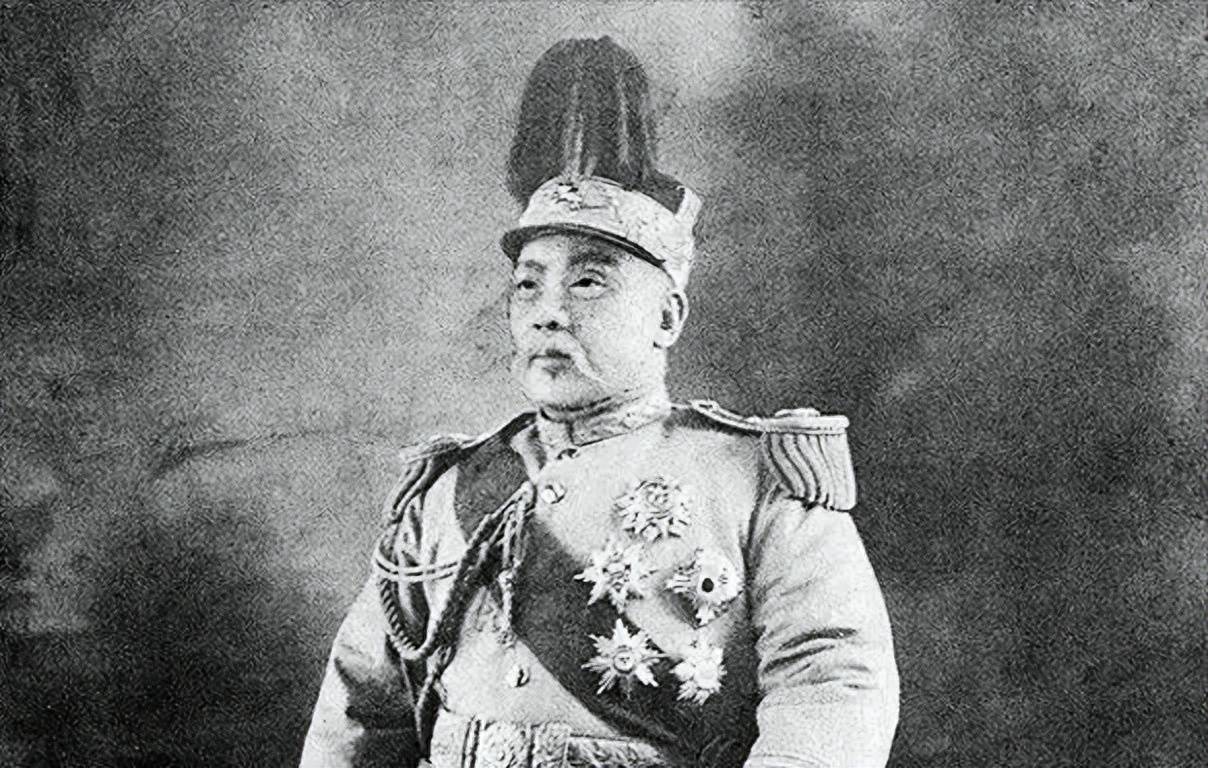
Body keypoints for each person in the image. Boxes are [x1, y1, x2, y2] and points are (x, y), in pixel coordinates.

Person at [300, 37, 898, 768]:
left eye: (587, 282)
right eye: (528, 285)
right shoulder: (449, 491)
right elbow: (361, 712)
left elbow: (832, 688)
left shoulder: (759, 486)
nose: (548, 313)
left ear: (667, 317)